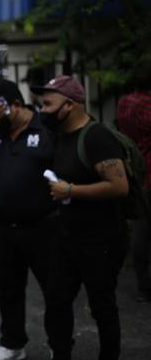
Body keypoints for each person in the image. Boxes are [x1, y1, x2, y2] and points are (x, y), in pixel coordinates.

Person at [33, 76, 129, 360]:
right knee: (57, 298)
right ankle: (61, 353)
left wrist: (71, 190)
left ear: (71, 105)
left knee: (102, 305)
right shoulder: (61, 135)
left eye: (49, 104)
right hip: (68, 237)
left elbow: (119, 186)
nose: (44, 111)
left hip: (101, 239)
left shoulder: (97, 136)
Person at [0, 79, 58, 360]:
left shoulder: (46, 128)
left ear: (16, 104)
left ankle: (59, 341)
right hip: (5, 228)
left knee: (54, 289)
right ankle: (13, 343)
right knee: (9, 290)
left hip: (43, 226)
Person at [116, 74, 151, 303]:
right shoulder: (147, 105)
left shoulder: (123, 103)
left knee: (141, 230)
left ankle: (143, 285)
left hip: (138, 171)